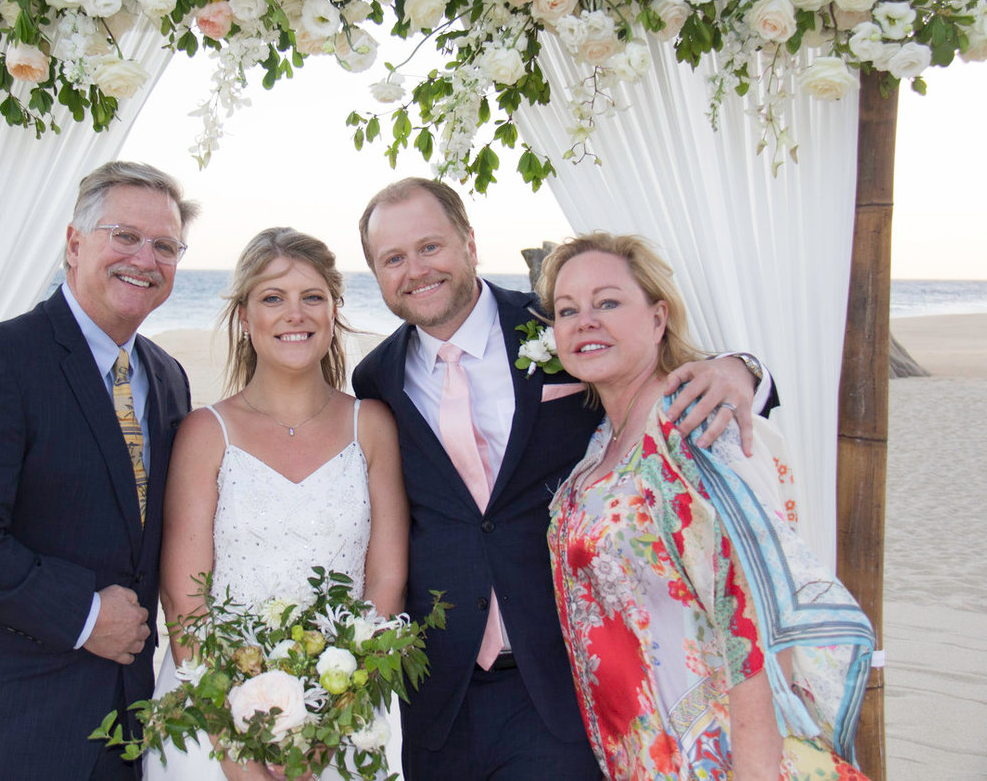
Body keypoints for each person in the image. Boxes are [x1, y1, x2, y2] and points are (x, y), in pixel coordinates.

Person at [350, 178, 775, 780]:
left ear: (470, 243)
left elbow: (672, 374)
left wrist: (745, 368)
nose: (415, 270)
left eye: (430, 247)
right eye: (393, 259)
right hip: (440, 698)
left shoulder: (559, 324)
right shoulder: (376, 380)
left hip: (562, 680)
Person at [0, 162, 199, 781]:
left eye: (165, 245)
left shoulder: (168, 378)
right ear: (73, 243)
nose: (146, 258)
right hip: (2, 723)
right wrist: (83, 614)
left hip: (122, 720)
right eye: (126, 236)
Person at [540, 232, 874, 780]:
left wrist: (755, 770)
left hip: (726, 754)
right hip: (647, 754)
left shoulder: (695, 430)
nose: (585, 320)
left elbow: (754, 623)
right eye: (567, 310)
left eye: (608, 302)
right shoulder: (599, 446)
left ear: (657, 317)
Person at [149, 227, 409, 781]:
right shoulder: (206, 432)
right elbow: (182, 597)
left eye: (312, 297)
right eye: (273, 298)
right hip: (213, 713)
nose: (295, 314)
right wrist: (233, 751)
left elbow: (384, 583)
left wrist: (333, 723)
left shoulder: (373, 425)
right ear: (245, 315)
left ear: (334, 309)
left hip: (348, 712)